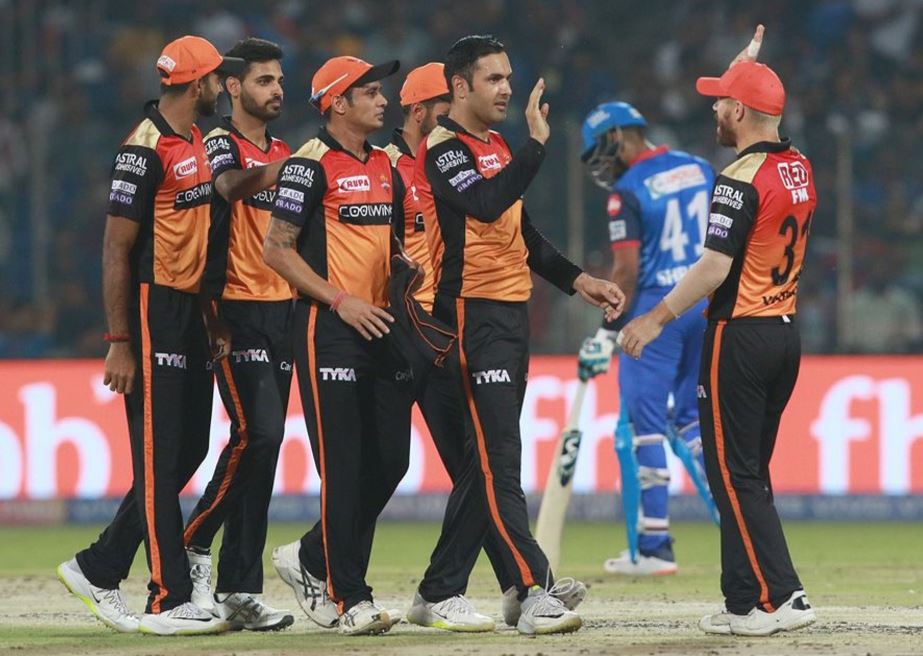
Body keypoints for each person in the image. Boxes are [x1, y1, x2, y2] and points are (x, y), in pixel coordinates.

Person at [408, 35, 625, 636]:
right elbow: (484, 204)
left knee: (487, 461)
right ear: (460, 87)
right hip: (468, 317)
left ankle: (441, 590)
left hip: (508, 315)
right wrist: (536, 147)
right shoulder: (443, 148)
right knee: (498, 457)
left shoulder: (496, 146)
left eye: (508, 77)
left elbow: (520, 232)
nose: (506, 88)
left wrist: (579, 280)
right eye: (494, 79)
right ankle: (532, 590)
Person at [620, 59, 818, 636]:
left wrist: (655, 318)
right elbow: (766, 126)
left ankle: (783, 597)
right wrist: (745, 71)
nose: (713, 108)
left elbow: (713, 267)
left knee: (733, 473)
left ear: (738, 110)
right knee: (747, 473)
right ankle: (742, 601)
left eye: (720, 100)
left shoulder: (737, 178)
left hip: (739, 336)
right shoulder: (799, 166)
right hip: (784, 332)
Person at [56, 35, 244, 636]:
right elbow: (116, 249)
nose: (222, 88)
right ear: (198, 84)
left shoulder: (197, 140)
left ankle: (100, 566)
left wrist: (211, 317)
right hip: (150, 309)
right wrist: (119, 340)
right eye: (216, 78)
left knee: (185, 452)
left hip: (189, 312)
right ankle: (168, 598)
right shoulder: (142, 150)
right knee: (161, 456)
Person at [262, 55, 415, 636]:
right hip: (327, 328)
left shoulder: (387, 164)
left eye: (381, 91)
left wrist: (403, 269)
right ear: (337, 103)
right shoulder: (308, 164)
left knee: (391, 461)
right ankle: (350, 596)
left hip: (381, 325)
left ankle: (310, 555)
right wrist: (339, 300)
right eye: (370, 92)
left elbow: (389, 242)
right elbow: (276, 250)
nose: (383, 100)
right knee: (344, 468)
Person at [181, 37, 294, 632]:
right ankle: (194, 544)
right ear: (232, 87)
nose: (276, 90)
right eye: (264, 80)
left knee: (265, 450)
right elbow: (227, 188)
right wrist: (212, 317)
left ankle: (240, 588)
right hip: (235, 310)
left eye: (279, 81)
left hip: (282, 312)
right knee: (259, 432)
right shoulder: (217, 142)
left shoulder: (281, 149)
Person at [576, 100, 716, 576]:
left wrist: (606, 332)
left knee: (645, 426)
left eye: (599, 150)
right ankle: (735, 519)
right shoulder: (699, 168)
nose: (600, 163)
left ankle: (654, 546)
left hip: (655, 314)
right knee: (692, 421)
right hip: (703, 303)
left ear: (617, 136)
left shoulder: (627, 192)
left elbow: (627, 272)